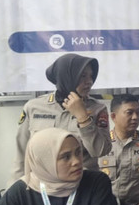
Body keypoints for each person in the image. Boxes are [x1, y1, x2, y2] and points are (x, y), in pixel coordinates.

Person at [10, 53, 111, 185]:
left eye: (91, 76)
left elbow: (100, 151)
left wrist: (82, 117)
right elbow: (21, 153)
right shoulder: (34, 107)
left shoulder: (97, 109)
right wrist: (14, 190)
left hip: (81, 187)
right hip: (42, 188)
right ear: (66, 76)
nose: (89, 82)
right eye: (83, 76)